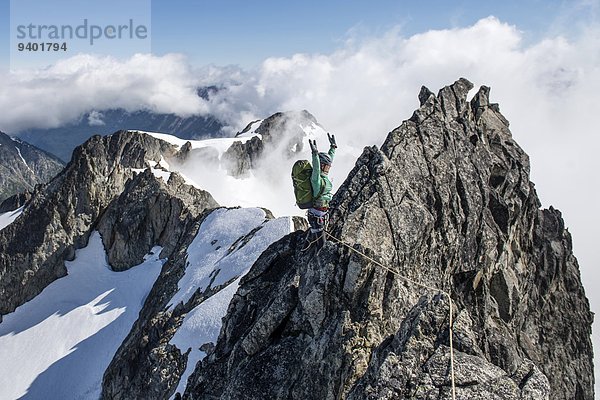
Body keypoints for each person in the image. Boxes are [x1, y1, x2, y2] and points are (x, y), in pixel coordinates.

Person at [306, 133, 337, 249]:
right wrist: (315, 154)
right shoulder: (316, 180)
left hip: (321, 215)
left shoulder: (323, 177)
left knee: (318, 242)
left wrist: (333, 148)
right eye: (326, 167)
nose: (328, 169)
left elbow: (329, 160)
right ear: (322, 166)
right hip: (317, 218)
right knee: (321, 246)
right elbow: (317, 166)